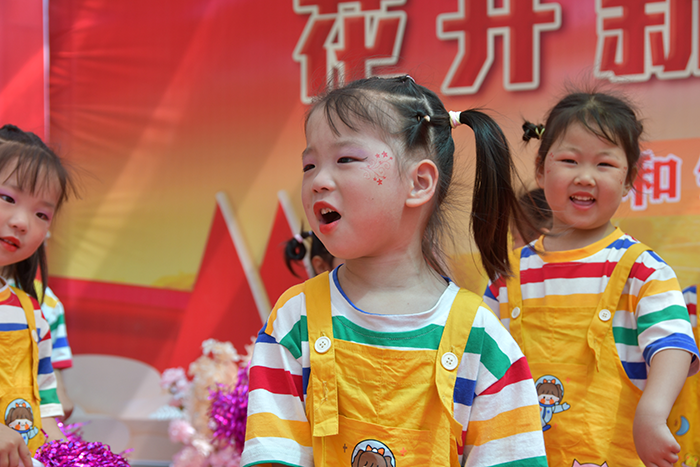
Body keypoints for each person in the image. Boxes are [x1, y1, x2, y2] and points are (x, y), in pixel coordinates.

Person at [241, 75, 547, 467]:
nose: (318, 180)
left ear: (419, 182)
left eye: (345, 159)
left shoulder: (482, 336)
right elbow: (272, 454)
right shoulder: (293, 318)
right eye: (309, 164)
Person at [483, 91, 699, 467]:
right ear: (540, 168)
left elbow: (673, 344)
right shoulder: (508, 276)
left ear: (629, 178)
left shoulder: (643, 269)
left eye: (604, 164)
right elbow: (481, 363)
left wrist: (653, 411)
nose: (585, 177)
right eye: (569, 160)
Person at [0, 124, 75, 464]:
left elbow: (44, 412)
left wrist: (71, 457)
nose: (22, 222)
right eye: (7, 198)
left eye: (41, 214)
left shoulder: (33, 314)